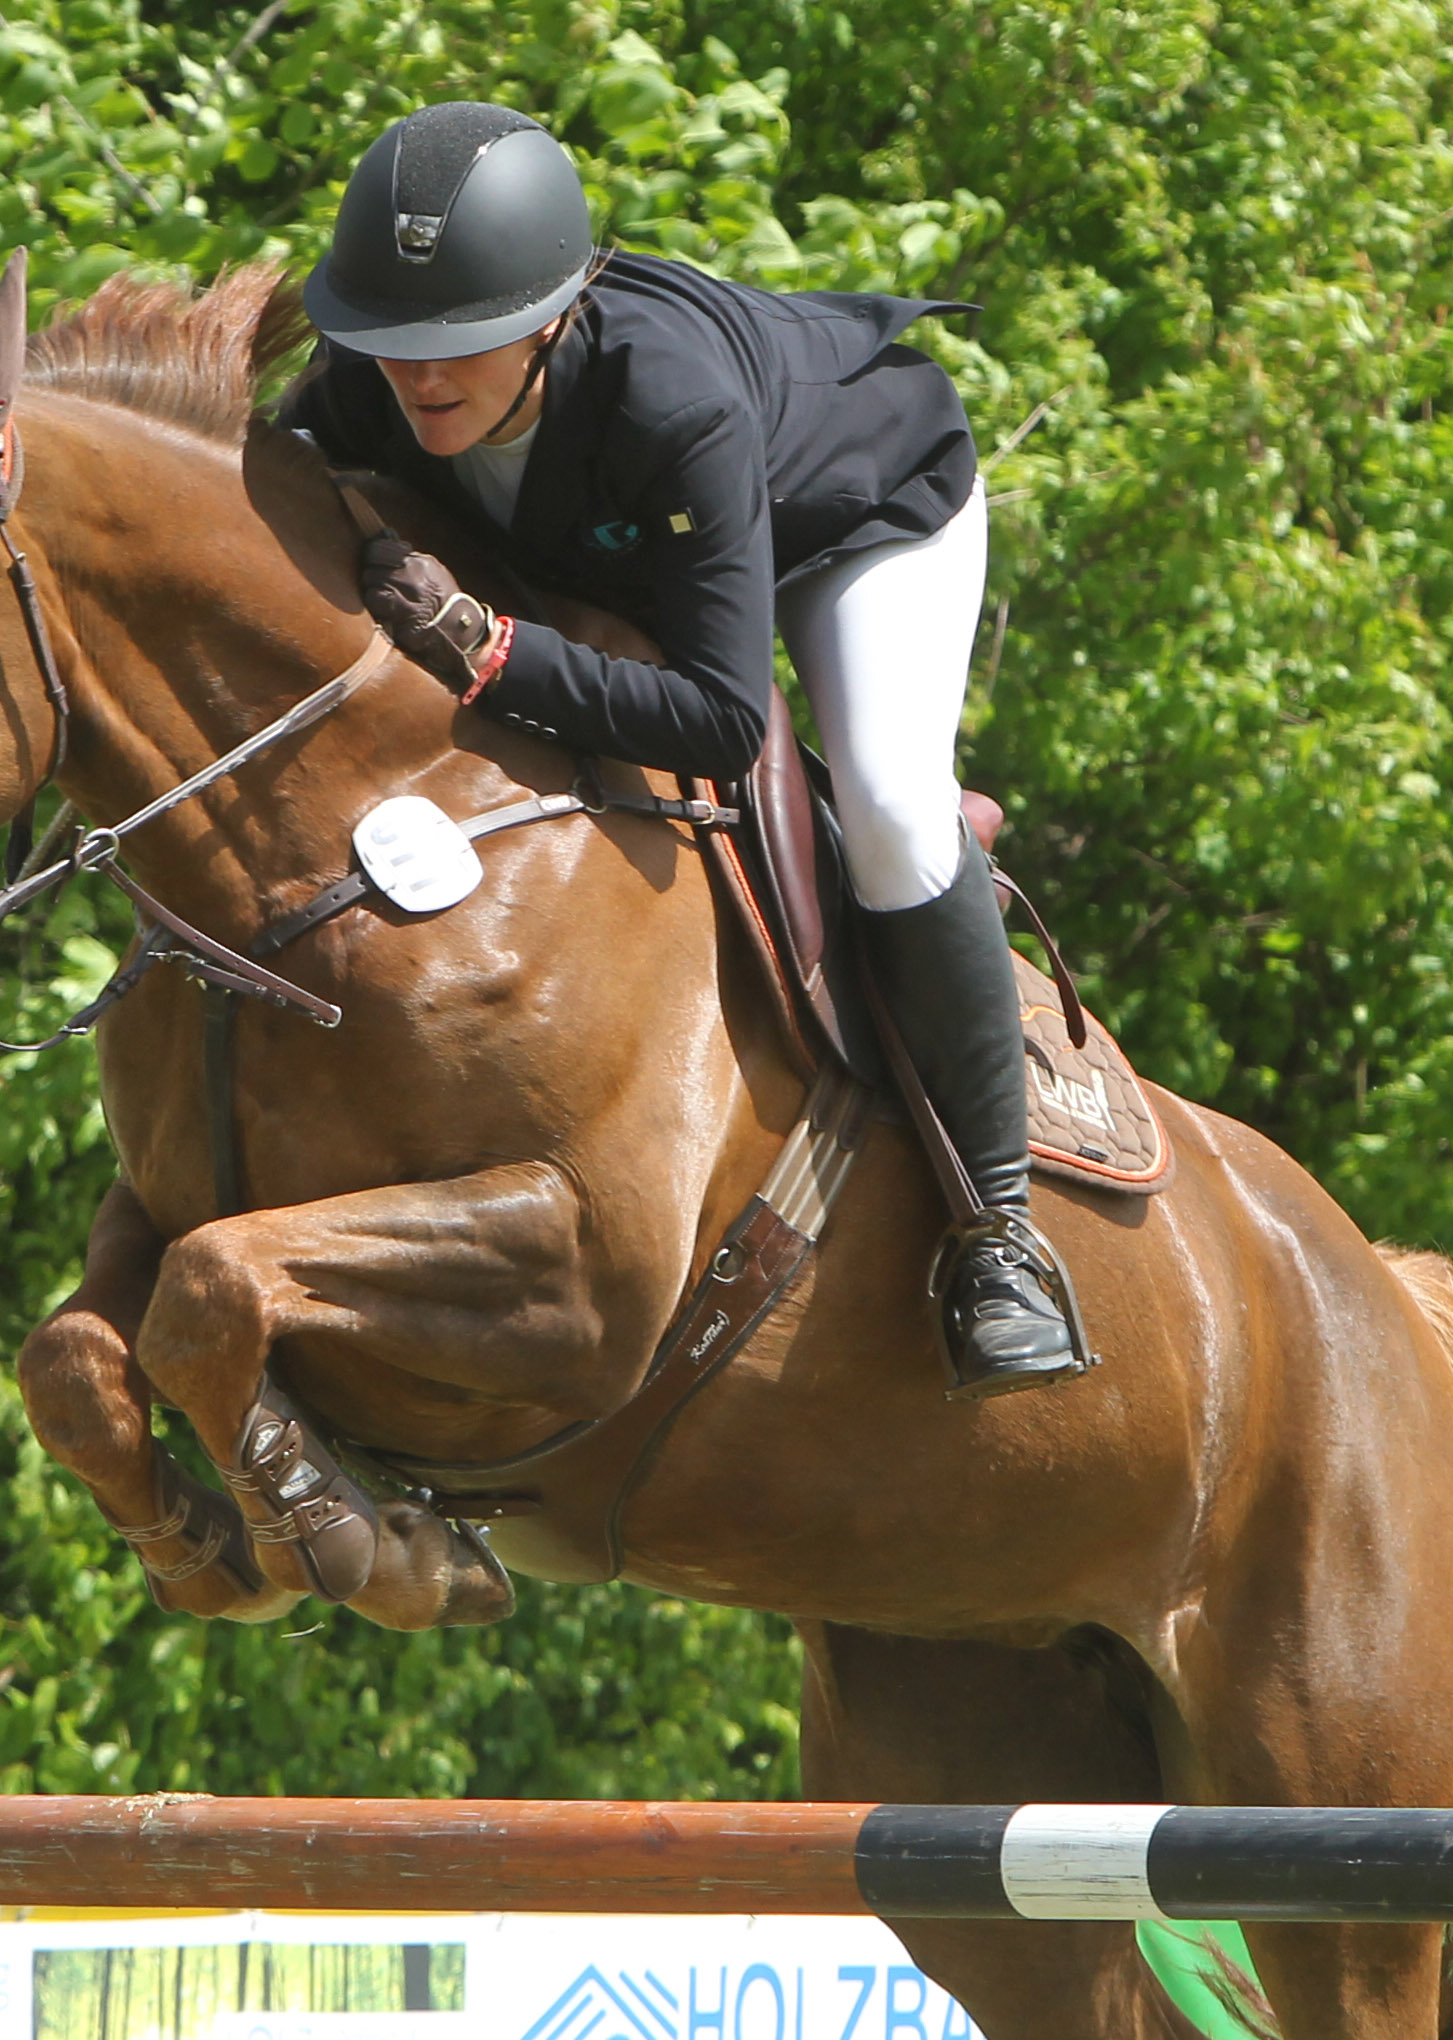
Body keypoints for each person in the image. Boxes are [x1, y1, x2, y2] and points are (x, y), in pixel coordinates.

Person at [282, 101, 1083, 1399]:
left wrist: (494, 656)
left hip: (855, 516)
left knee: (882, 803)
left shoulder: (669, 400)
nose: (421, 379)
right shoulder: (361, 396)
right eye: (392, 346)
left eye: (465, 343)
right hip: (649, 557)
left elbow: (723, 717)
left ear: (550, 318)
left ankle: (998, 1240)